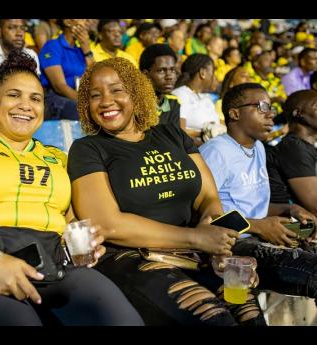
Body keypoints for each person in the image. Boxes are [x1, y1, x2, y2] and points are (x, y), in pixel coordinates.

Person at [0, 51, 143, 326]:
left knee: (118, 317)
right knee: (19, 320)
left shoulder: (58, 158)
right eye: (13, 95)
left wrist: (83, 244)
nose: (25, 105)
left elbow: (70, 222)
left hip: (53, 268)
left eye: (35, 98)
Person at [68, 57, 265, 326]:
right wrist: (197, 238)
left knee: (249, 315)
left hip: (197, 255)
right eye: (94, 95)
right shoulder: (87, 149)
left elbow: (208, 197)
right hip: (136, 259)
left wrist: (215, 236)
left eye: (116, 90)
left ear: (136, 93)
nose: (105, 101)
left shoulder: (172, 135)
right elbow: (108, 223)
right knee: (215, 319)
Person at [200, 83, 317, 300]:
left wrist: (289, 209)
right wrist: (259, 226)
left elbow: (250, 203)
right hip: (232, 244)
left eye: (271, 107)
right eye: (262, 107)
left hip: (256, 234)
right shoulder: (216, 152)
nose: (271, 114)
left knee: (309, 231)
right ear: (235, 113)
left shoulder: (258, 148)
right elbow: (200, 216)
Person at [266, 90, 317, 216]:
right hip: (290, 226)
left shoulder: (305, 146)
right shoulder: (293, 148)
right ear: (298, 113)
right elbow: (315, 206)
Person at [39, 19, 94, 120]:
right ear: (68, 22)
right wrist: (86, 103)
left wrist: (87, 50)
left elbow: (95, 77)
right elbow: (59, 86)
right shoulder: (52, 46)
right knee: (83, 111)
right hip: (55, 98)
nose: (86, 21)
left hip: (80, 96)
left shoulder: (81, 50)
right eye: (82, 19)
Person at [172, 53, 222, 146]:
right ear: (202, 73)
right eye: (212, 72)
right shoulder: (180, 95)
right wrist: (204, 140)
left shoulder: (206, 98)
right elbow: (180, 133)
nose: (214, 77)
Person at [139, 43, 181, 126]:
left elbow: (175, 136)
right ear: (145, 75)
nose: (169, 76)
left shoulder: (173, 101)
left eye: (172, 70)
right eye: (161, 70)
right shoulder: (135, 103)